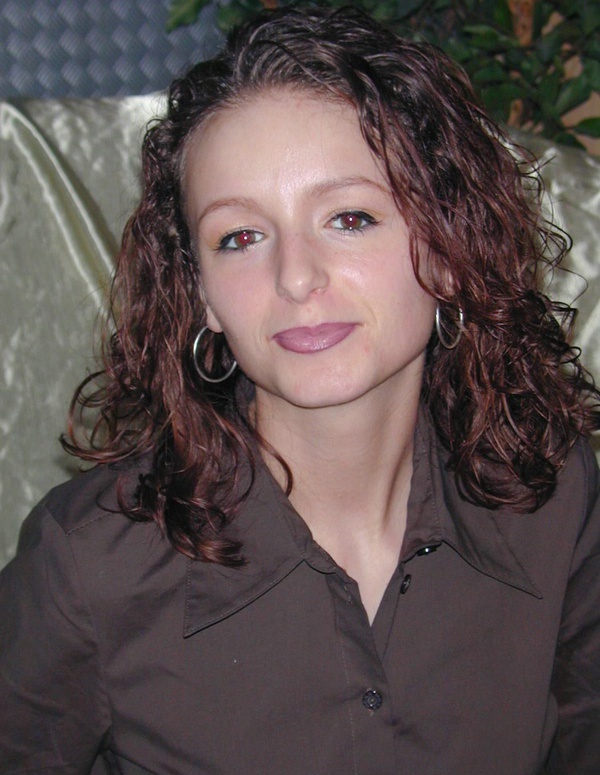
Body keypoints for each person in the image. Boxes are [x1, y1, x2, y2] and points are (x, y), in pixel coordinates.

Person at [1, 6, 599, 774]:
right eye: (240, 236)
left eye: (349, 217)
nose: (295, 276)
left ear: (448, 247)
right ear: (203, 293)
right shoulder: (89, 563)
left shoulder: (554, 497)